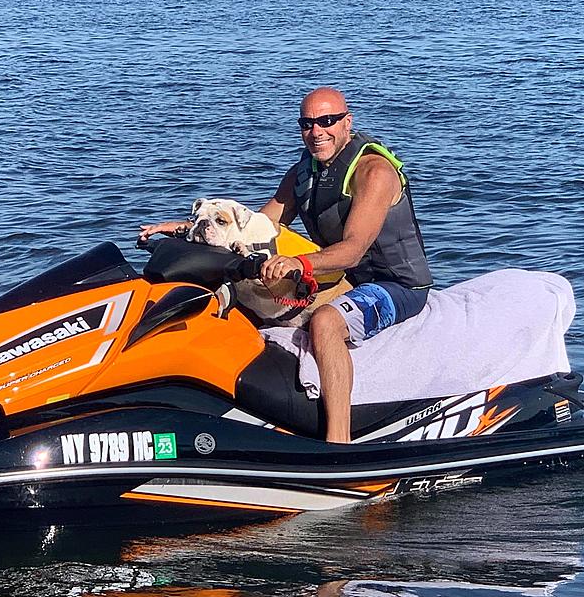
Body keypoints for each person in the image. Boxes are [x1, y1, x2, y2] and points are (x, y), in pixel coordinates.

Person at [139, 87, 433, 443]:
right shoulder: (303, 173)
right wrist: (186, 230)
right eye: (307, 124)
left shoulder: (374, 173)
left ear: (347, 122)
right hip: (340, 277)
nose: (317, 131)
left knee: (325, 324)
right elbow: (258, 228)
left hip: (396, 286)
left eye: (327, 121)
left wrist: (297, 263)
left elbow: (353, 250)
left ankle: (337, 443)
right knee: (237, 296)